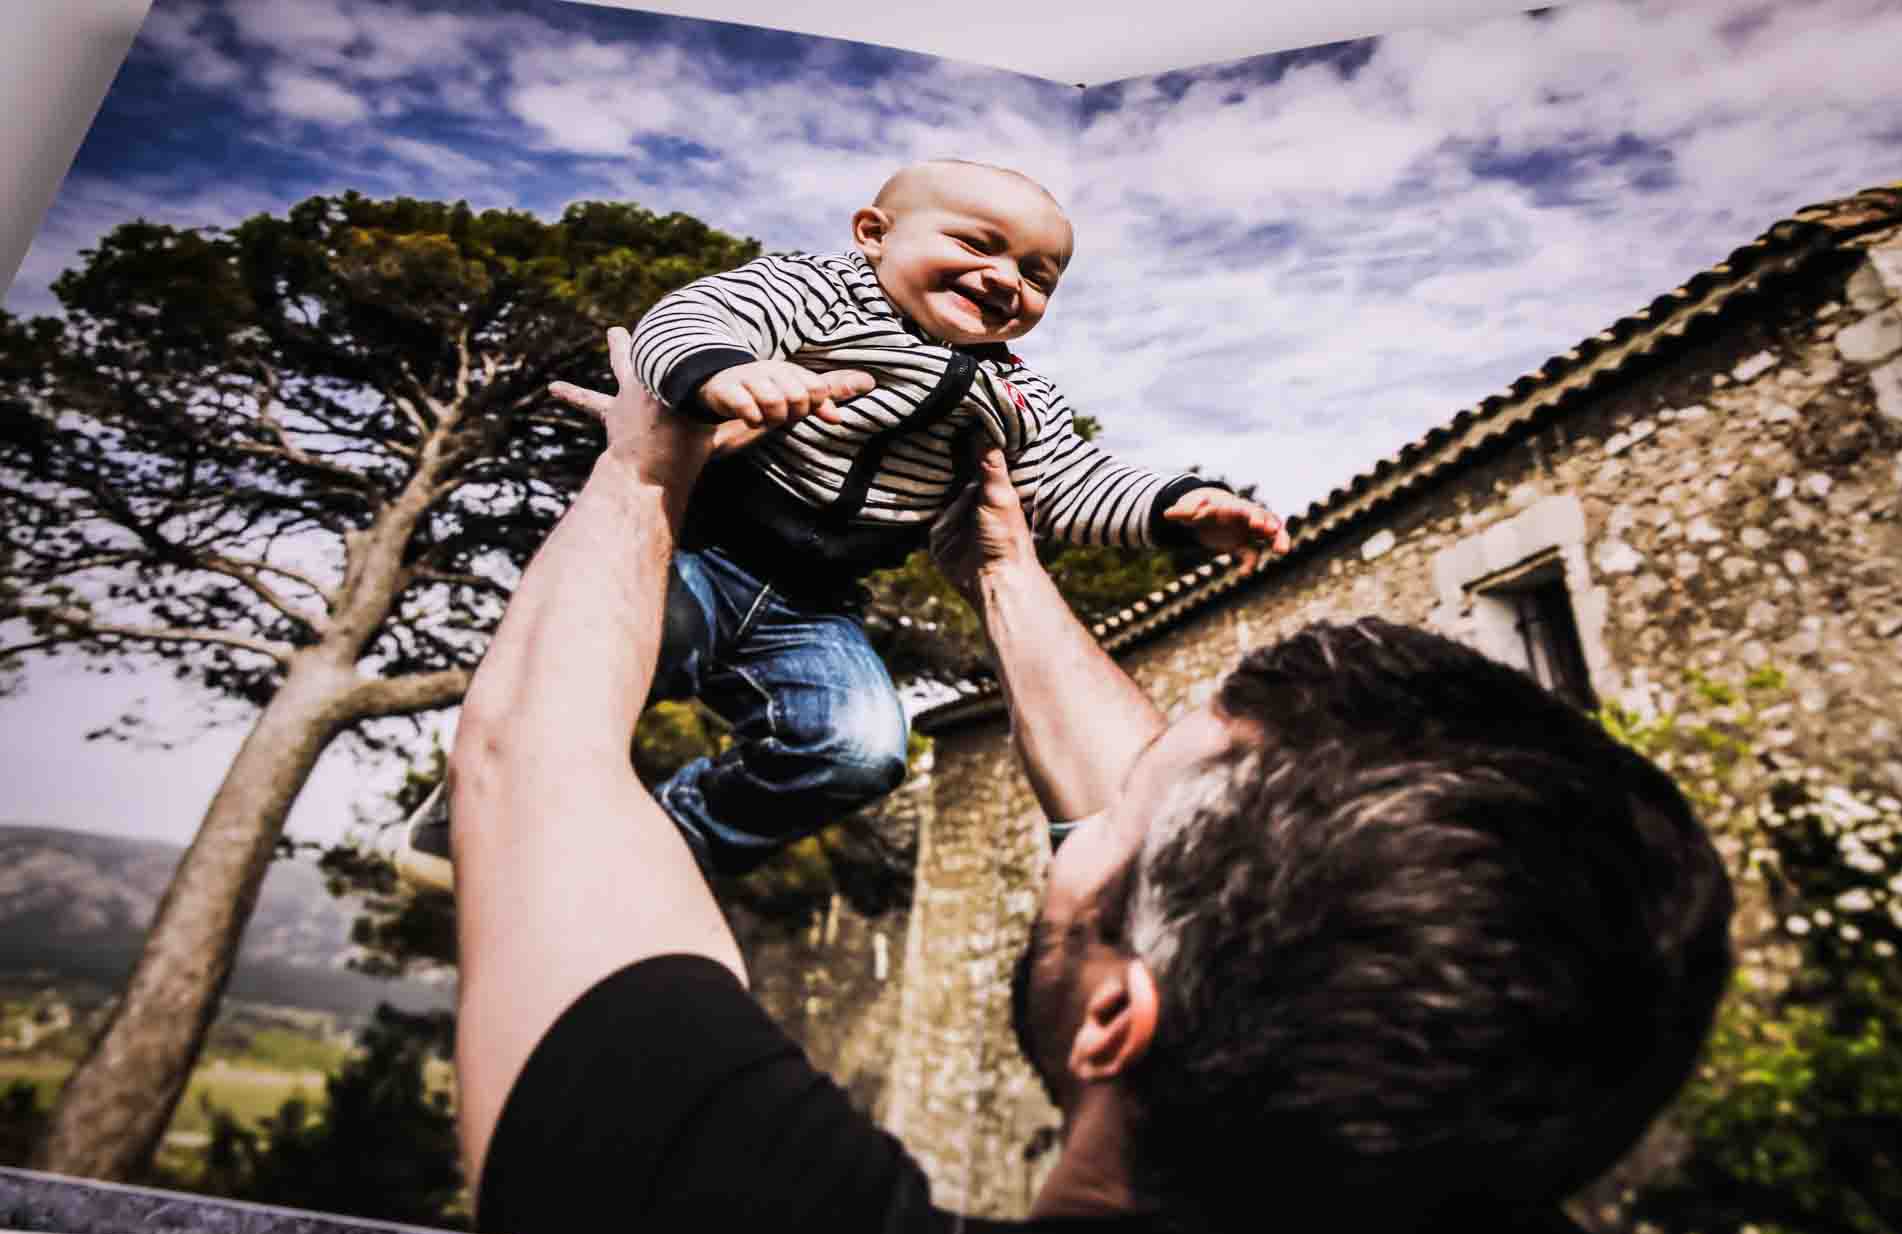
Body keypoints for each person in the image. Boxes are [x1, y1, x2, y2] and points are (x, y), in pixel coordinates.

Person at [450, 329, 1733, 1234]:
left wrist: (641, 473)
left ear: (1118, 1016)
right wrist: (1002, 564)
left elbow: (537, 762)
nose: (1096, 804)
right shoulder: (1503, 1209)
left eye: (1113, 828)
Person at [396, 159, 1289, 887]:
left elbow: (1062, 486)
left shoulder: (1018, 394)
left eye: (1037, 276)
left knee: (861, 750)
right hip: (700, 552)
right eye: (980, 245)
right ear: (873, 235)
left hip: (818, 606)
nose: (1005, 279)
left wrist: (1178, 509)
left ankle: (673, 843)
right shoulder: (817, 293)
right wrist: (723, 373)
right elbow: (694, 317)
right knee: (606, 648)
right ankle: (484, 791)